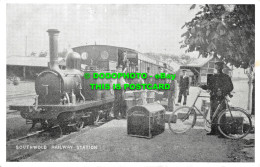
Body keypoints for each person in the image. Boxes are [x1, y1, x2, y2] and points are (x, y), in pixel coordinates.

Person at [200, 61, 234, 136]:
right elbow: (210, 86)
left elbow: (230, 87)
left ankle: (222, 133)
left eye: (218, 66)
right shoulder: (213, 76)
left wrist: (222, 91)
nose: (217, 68)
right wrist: (202, 86)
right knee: (213, 113)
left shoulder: (226, 77)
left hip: (221, 98)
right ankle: (213, 130)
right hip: (213, 97)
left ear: (221, 67)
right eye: (216, 66)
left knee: (221, 114)